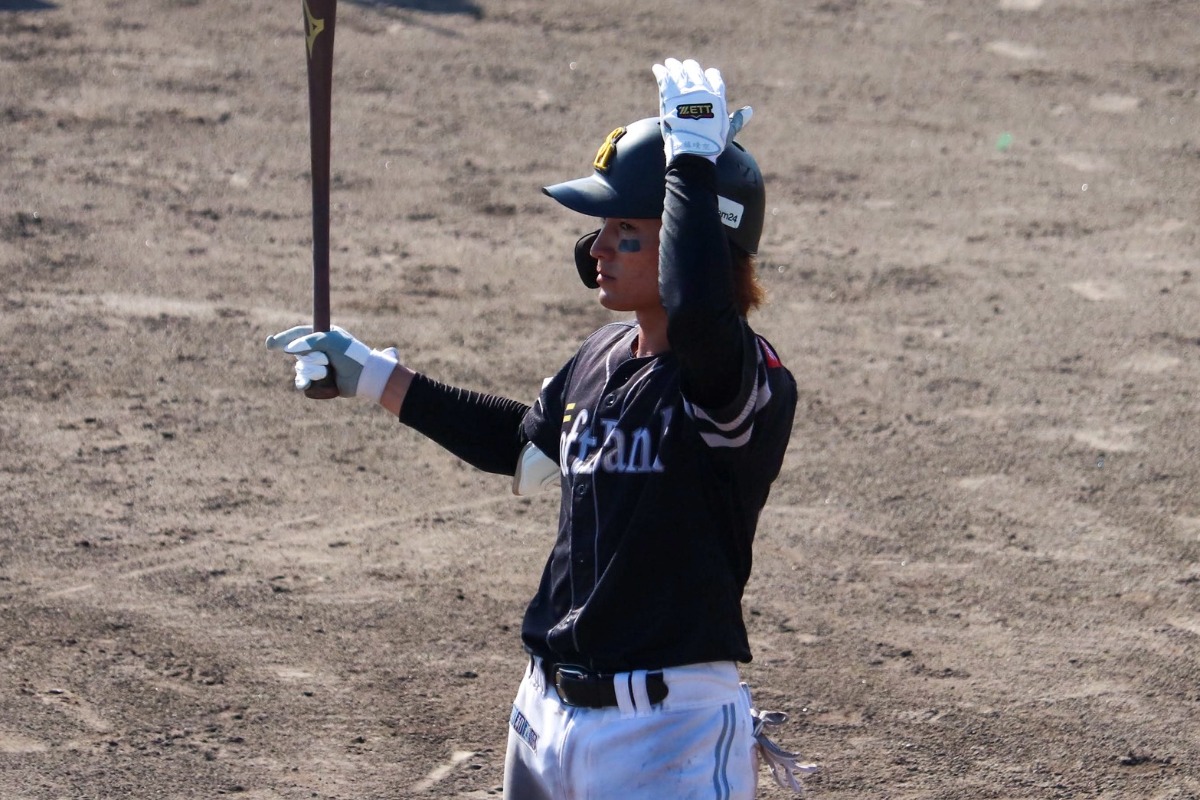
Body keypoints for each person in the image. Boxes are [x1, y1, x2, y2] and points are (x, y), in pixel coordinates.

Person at [267, 57, 813, 799]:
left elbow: (698, 315)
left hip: (666, 739)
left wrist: (690, 160)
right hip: (543, 715)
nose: (597, 248)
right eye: (601, 228)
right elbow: (522, 448)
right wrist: (373, 377)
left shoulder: (740, 381)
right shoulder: (603, 355)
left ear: (696, 243)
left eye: (626, 229)